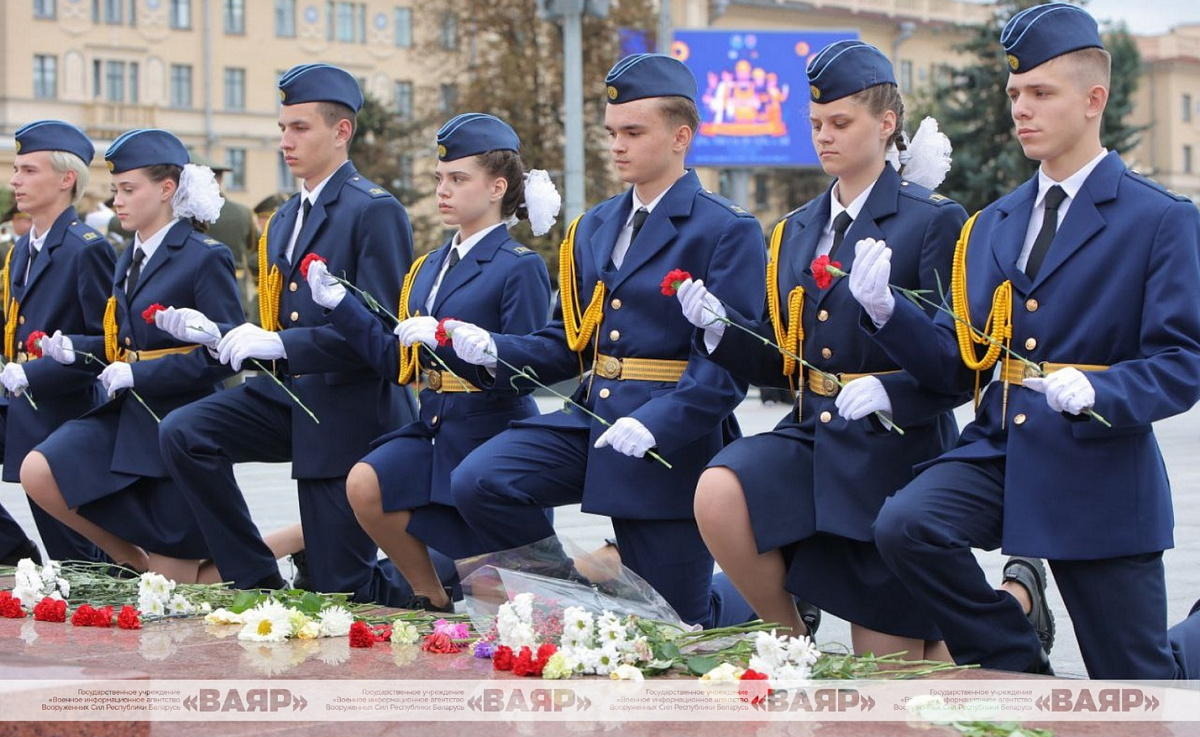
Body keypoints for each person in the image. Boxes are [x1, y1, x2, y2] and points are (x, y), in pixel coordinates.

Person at [854, 3, 1200, 678]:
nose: (1021, 109)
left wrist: (1103, 388)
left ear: (1094, 99)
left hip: (1098, 467)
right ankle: (1016, 658)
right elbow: (958, 364)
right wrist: (889, 312)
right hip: (1003, 453)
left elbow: (1183, 362)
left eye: (1041, 92)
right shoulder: (995, 223)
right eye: (1015, 93)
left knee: (1140, 688)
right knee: (907, 524)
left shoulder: (1158, 218)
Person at [446, 54, 768, 628]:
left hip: (670, 435)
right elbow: (569, 341)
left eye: (633, 132)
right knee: (482, 479)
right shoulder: (594, 225)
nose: (617, 145)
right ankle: (569, 602)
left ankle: (776, 598)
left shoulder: (725, 228)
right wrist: (496, 351)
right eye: (612, 132)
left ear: (681, 137)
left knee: (677, 624)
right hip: (594, 417)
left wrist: (658, 423)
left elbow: (726, 364)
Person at [673, 42, 968, 659]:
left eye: (840, 122)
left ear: (886, 124)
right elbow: (784, 361)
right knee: (720, 490)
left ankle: (1013, 606)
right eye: (815, 124)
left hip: (893, 450)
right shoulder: (795, 229)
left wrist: (890, 343)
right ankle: (791, 641)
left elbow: (956, 366)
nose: (824, 137)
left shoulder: (932, 221)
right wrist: (720, 329)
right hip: (814, 435)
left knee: (892, 668)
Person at [154, 63, 420, 600]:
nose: (285, 141)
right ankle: (257, 580)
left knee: (342, 591)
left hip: (348, 410)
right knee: (185, 432)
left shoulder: (373, 210)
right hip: (291, 394)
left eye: (300, 127)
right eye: (282, 128)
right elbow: (281, 319)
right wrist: (221, 334)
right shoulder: (283, 218)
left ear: (341, 132)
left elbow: (382, 333)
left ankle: (439, 578)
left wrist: (280, 343)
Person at [305, 112, 556, 611]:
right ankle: (431, 597)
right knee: (366, 482)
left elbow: (523, 375)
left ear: (497, 188)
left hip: (491, 433)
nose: (443, 190)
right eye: (440, 178)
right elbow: (395, 361)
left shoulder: (519, 266)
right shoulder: (428, 267)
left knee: (506, 594)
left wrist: (447, 342)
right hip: (437, 426)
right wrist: (342, 306)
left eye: (458, 179)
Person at [21, 129, 245, 582]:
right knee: (39, 469)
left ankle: (295, 541)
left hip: (175, 420)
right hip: (128, 414)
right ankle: (130, 560)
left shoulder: (204, 256)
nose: (117, 201)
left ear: (166, 189)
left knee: (184, 582)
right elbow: (120, 343)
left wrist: (141, 375)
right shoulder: (130, 255)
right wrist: (72, 350)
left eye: (128, 189)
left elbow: (225, 354)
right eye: (115, 190)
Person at [0, 120, 116, 566]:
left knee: (77, 557)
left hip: (62, 410)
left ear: (66, 179)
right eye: (16, 169)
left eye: (29, 170)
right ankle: (13, 553)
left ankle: (100, 584)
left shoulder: (85, 248)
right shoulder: (22, 249)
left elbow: (108, 344)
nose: (15, 180)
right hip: (18, 401)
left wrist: (36, 370)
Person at [198, 155, 258, 320]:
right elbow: (256, 250)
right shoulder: (243, 212)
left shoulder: (189, 214)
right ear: (220, 180)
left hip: (199, 288)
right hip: (236, 287)